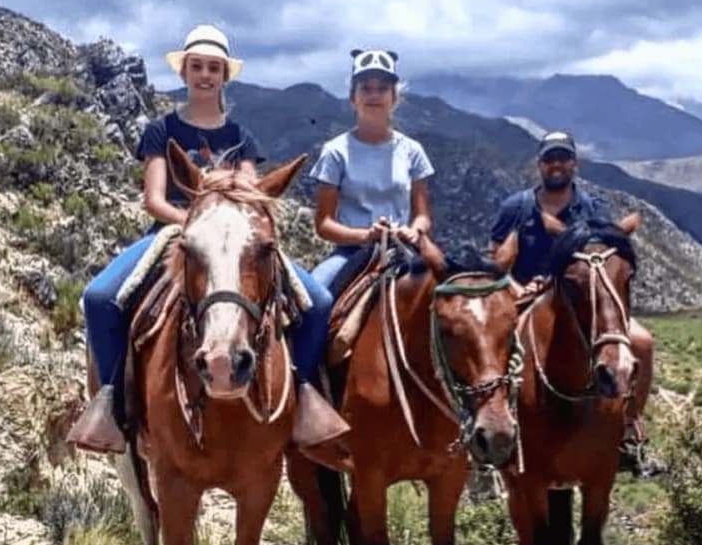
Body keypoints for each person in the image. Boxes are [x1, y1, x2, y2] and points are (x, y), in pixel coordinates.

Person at [67, 25, 351, 470]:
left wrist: (226, 229)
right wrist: (199, 225)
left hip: (234, 238)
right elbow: (155, 199)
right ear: (185, 72)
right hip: (175, 232)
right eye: (196, 66)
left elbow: (250, 199)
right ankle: (112, 405)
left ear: (224, 76)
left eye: (213, 68)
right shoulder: (162, 130)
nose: (204, 75)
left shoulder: (241, 136)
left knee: (317, 303)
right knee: (100, 298)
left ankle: (303, 396)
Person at [490, 131, 665, 478]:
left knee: (642, 343)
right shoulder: (516, 208)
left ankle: (628, 431)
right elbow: (496, 262)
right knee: (486, 350)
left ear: (574, 163)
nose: (557, 164)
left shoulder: (592, 208)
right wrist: (518, 290)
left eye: (563, 157)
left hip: (582, 304)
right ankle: (493, 435)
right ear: (539, 164)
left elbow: (604, 255)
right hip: (523, 298)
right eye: (549, 158)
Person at [306, 48, 434, 306]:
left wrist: (414, 231)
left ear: (394, 96)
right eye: (366, 88)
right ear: (353, 97)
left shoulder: (412, 151)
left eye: (382, 88)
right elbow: (325, 224)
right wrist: (366, 236)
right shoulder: (335, 152)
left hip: (403, 249)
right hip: (351, 253)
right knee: (313, 302)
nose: (374, 95)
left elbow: (422, 216)